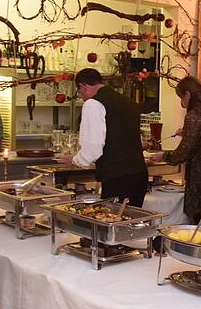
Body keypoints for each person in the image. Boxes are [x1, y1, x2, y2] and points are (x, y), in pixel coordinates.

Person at [150, 77, 201, 227]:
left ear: (187, 95)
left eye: (180, 98)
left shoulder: (195, 114)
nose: (181, 103)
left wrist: (164, 156)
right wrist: (187, 131)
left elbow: (183, 153)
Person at [59, 68, 148, 206]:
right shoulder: (127, 101)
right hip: (139, 174)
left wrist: (77, 160)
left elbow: (93, 148)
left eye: (79, 92)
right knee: (132, 222)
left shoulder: (93, 104)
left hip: (118, 178)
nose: (81, 96)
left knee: (113, 222)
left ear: (82, 86)